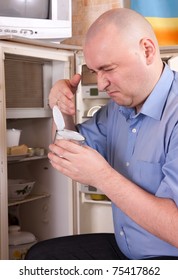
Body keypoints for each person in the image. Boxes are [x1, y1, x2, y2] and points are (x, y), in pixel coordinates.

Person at [25, 8, 178, 260]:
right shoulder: (117, 110)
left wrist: (103, 177)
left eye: (108, 68)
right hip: (127, 249)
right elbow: (67, 153)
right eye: (95, 71)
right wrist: (61, 110)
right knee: (40, 257)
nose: (101, 84)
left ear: (147, 51)